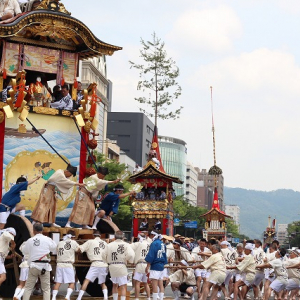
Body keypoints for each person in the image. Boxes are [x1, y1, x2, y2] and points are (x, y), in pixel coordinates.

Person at [22, 223, 57, 300]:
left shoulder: (30, 240)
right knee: (46, 289)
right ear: (42, 230)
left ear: (34, 230)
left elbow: (24, 251)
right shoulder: (47, 239)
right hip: (45, 266)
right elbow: (54, 247)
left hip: (34, 265)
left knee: (28, 288)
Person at [76, 231, 109, 300]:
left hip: (95, 264)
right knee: (102, 283)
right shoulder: (105, 243)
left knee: (86, 281)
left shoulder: (90, 242)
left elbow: (79, 249)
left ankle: (79, 298)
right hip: (104, 264)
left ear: (93, 235)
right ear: (100, 236)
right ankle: (106, 298)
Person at [103, 230, 135, 300]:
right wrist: (130, 261)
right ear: (123, 237)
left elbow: (103, 255)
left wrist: (106, 262)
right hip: (121, 266)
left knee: (114, 285)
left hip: (112, 266)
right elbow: (131, 255)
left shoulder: (109, 245)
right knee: (123, 286)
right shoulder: (126, 244)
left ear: (115, 237)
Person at [52, 230, 79, 300]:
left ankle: (53, 297)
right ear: (73, 237)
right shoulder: (73, 242)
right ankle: (67, 296)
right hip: (68, 265)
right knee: (71, 282)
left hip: (59, 264)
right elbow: (79, 250)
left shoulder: (60, 243)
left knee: (58, 282)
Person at [145, 231, 168, 300]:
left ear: (153, 235)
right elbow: (164, 256)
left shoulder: (154, 243)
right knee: (161, 284)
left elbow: (151, 255)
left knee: (154, 284)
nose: (151, 237)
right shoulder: (163, 244)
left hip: (155, 266)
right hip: (161, 266)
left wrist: (147, 266)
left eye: (151, 235)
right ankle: (161, 298)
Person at [130, 233, 151, 300]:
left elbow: (128, 247)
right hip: (147, 264)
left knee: (137, 282)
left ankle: (136, 298)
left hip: (140, 264)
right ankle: (148, 297)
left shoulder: (138, 243)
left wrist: (132, 240)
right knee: (145, 283)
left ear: (138, 238)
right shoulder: (149, 244)